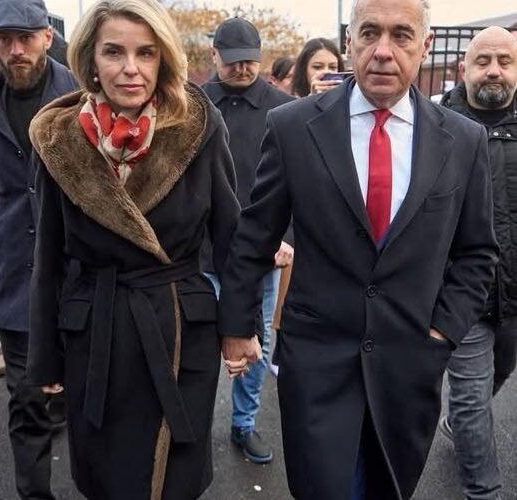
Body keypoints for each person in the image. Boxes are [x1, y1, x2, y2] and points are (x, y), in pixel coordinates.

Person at [216, 0, 499, 497]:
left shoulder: (463, 139)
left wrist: (441, 333)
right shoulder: (292, 127)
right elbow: (255, 235)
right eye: (369, 33)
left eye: (401, 35)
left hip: (410, 365)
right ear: (350, 43)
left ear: (426, 46)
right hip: (317, 365)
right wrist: (238, 327)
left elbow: (477, 253)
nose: (383, 51)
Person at [26, 0, 241, 498]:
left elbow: (231, 235)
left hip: (179, 327)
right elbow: (48, 256)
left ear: (163, 58)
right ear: (90, 60)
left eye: (146, 53)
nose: (131, 68)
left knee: (174, 479)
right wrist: (45, 357)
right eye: (114, 52)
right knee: (110, 478)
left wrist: (239, 327)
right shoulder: (58, 140)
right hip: (97, 333)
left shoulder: (197, 126)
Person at [0, 0, 76, 497]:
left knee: (90, 399)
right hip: (15, 280)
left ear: (47, 36)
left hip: (78, 276)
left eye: (25, 37)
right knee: (26, 402)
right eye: (5, 39)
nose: (15, 49)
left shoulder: (83, 97)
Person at [201, 17, 294, 464]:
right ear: (214, 56)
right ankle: (191, 423)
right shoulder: (192, 104)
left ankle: (244, 423)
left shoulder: (284, 110)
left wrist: (287, 235)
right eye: (233, 61)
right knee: (198, 342)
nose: (242, 69)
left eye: (250, 61)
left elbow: (299, 181)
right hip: (200, 249)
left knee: (257, 344)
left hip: (261, 250)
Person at [439, 26, 517, 500]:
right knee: (470, 398)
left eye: (504, 61)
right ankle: (483, 492)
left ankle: (462, 422)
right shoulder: (437, 128)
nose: (493, 70)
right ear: (463, 68)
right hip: (462, 292)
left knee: (499, 373)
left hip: (515, 292)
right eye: (483, 61)